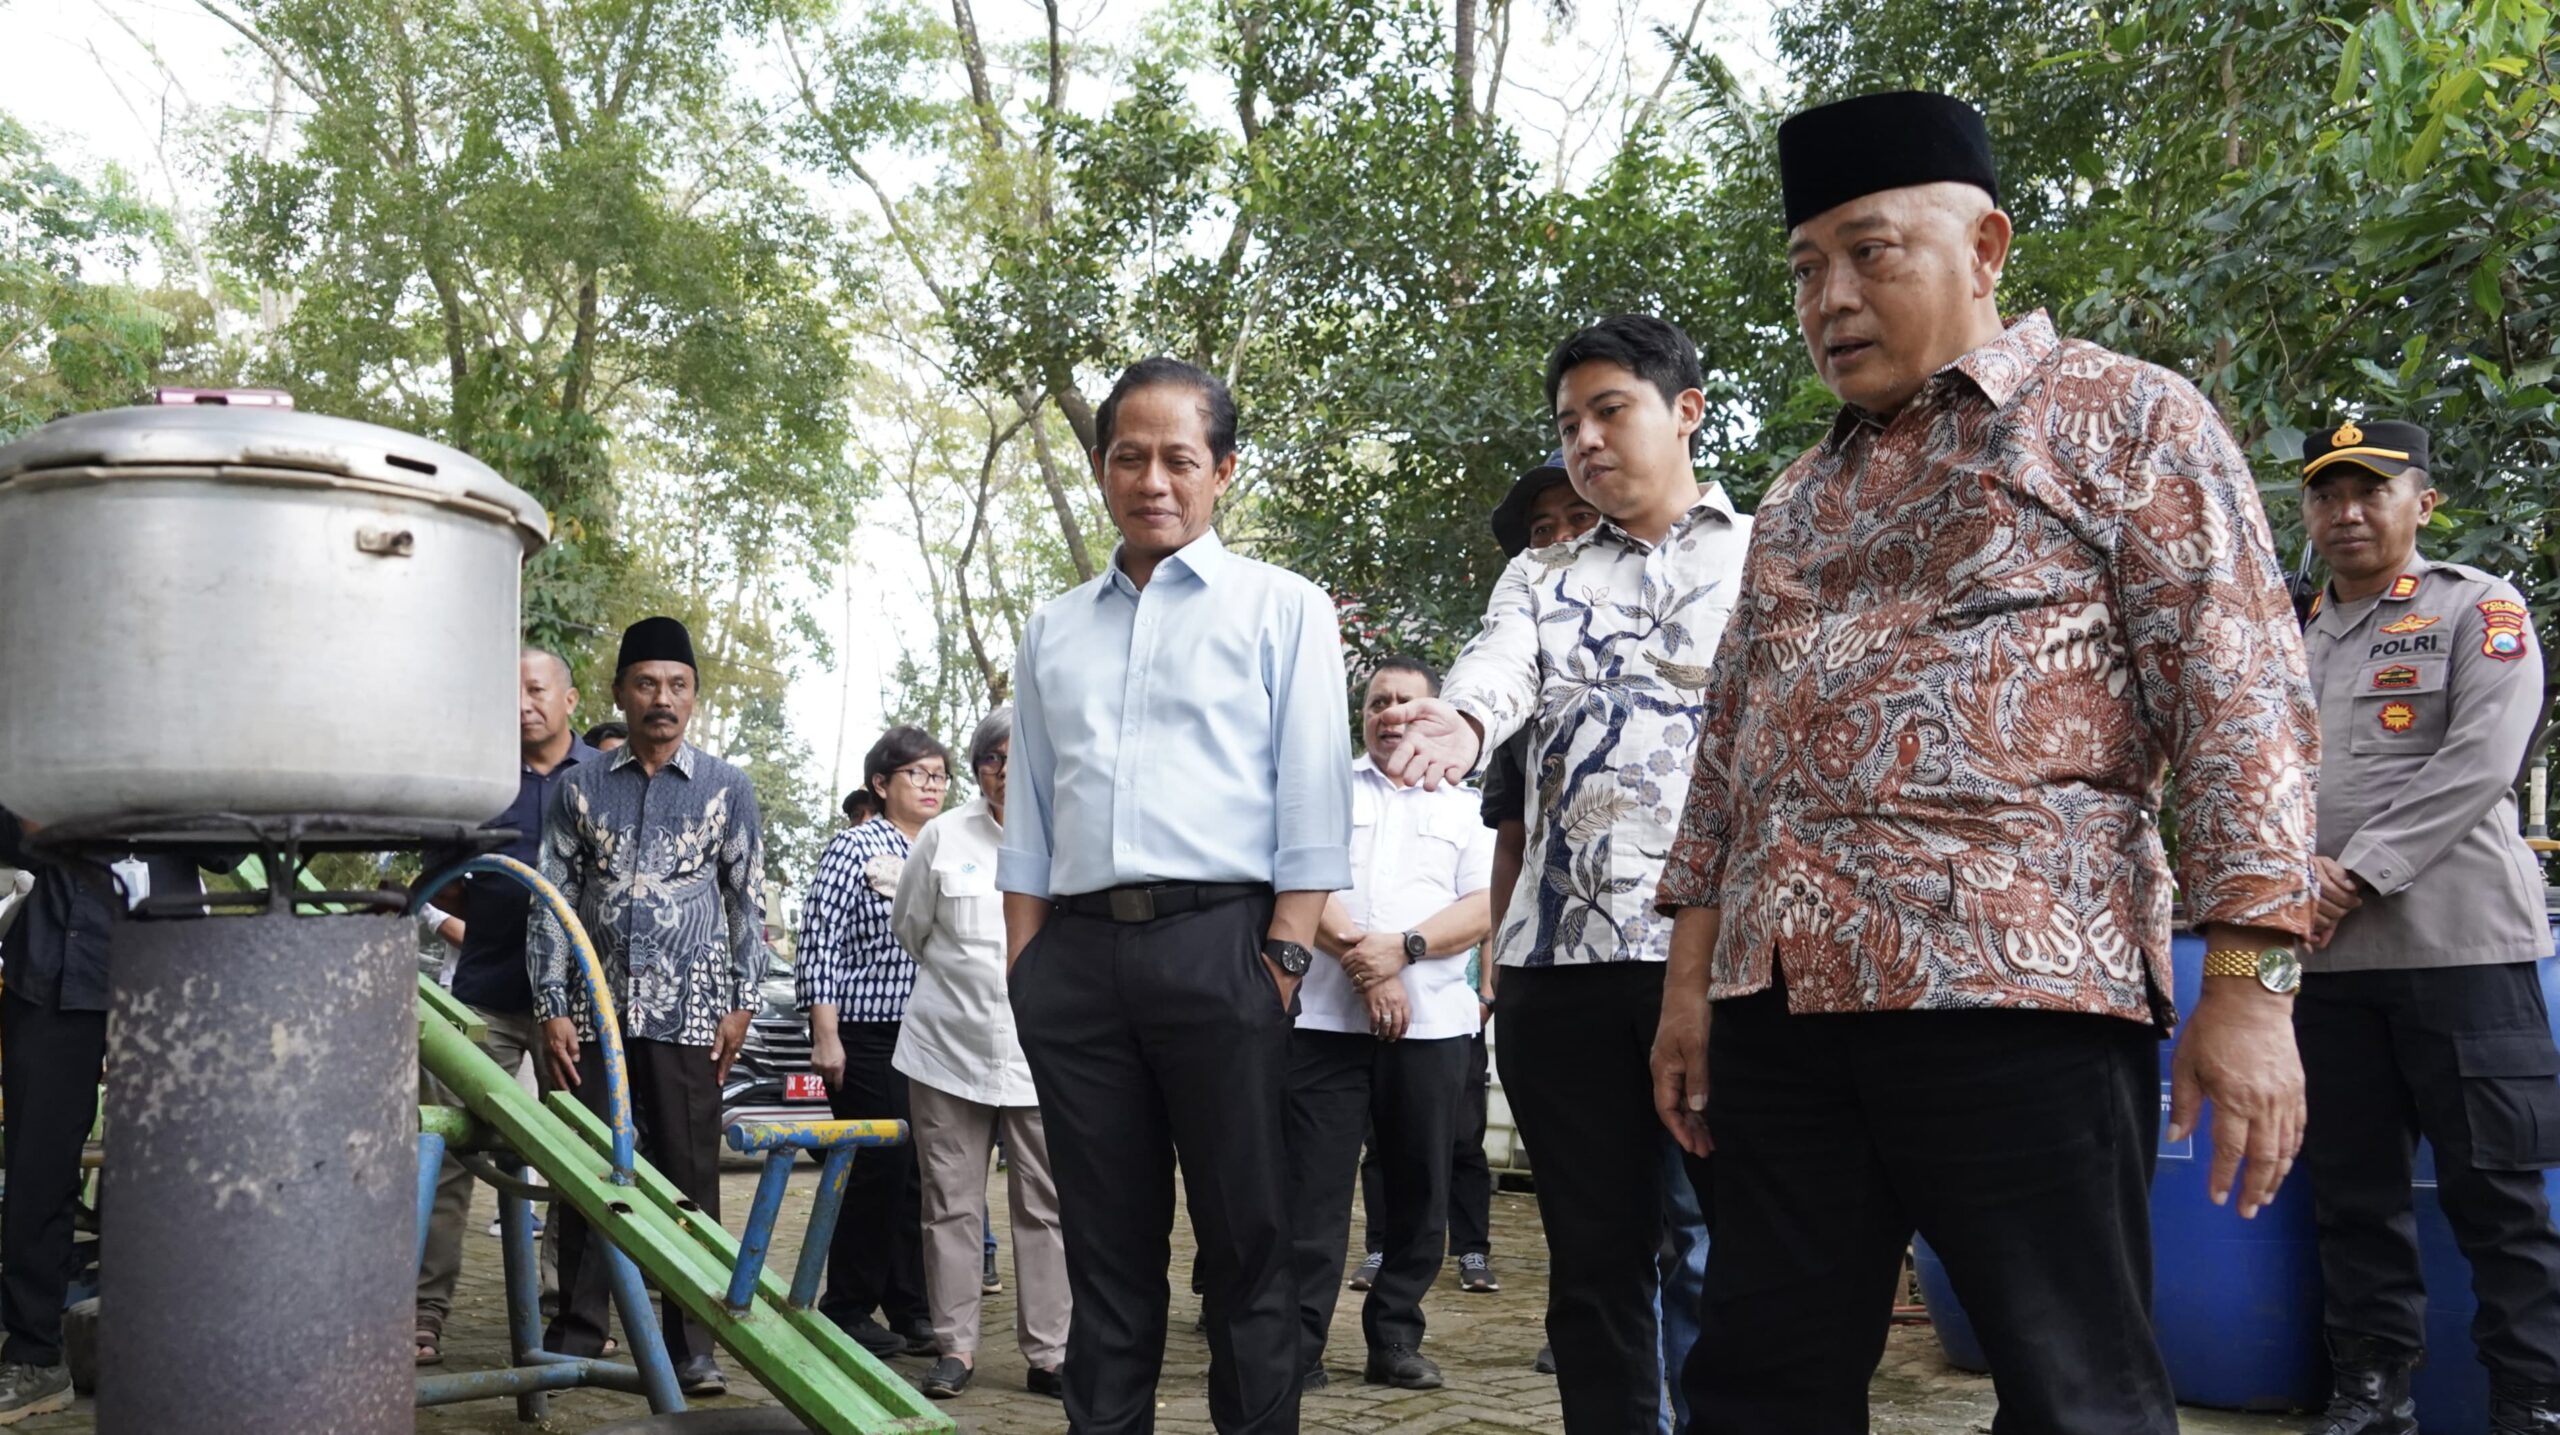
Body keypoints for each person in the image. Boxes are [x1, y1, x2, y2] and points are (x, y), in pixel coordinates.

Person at [1643, 90, 2317, 1432]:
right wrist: (1688, 984)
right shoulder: (1797, 494)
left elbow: (2241, 697)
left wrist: (2252, 980)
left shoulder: (2128, 422)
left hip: (2022, 996)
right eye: (1805, 267)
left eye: (1870, 251)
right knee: (1757, 1383)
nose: (1831, 296)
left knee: (2075, 1386)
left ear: (1987, 248)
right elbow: (1733, 750)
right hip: (1788, 1003)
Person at [1377, 317, 1751, 1430]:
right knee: (1591, 1270)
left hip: (1723, 966)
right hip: (1559, 971)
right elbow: (1496, 670)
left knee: (1744, 1258)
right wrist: (1460, 716)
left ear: (1685, 410)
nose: (1584, 440)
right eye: (1566, 423)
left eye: (1608, 411)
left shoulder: (1768, 552)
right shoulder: (1539, 575)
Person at [1000, 355, 1352, 1435]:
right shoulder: (1054, 629)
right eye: (1129, 456)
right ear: (1103, 466)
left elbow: (1313, 794)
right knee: (1105, 1255)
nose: (1152, 479)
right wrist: (1028, 971)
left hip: (1227, 952)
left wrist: (1284, 958)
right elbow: (1033, 820)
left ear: (1222, 471)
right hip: (1080, 966)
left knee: (1250, 1249)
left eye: (1178, 459)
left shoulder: (1282, 608)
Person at [2292, 417, 2560, 1435]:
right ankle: (2371, 1392)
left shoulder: (2477, 608)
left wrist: (2350, 873)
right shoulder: (2290, 628)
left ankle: (2531, 1401)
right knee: (2351, 1195)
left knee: (2496, 1197)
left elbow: (2481, 757)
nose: (2347, 511)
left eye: (2371, 490)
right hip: (2323, 965)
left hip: (2459, 953)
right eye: (2328, 493)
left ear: (2422, 502)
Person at [532, 616, 767, 1397]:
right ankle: (578, 1332)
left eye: (676, 685)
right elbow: (551, 900)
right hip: (593, 1017)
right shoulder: (578, 786)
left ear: (694, 696)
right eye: (646, 684)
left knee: (690, 1177)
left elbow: (746, 904)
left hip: (691, 1015)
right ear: (619, 693)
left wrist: (742, 1001)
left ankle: (691, 1344)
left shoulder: (728, 788)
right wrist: (550, 1004)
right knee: (586, 1171)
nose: (661, 699)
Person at [1293, 656, 1494, 1392]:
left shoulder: (1468, 805)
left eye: (1408, 700)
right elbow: (1298, 877)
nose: (1392, 712)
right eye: (1379, 701)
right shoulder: (1324, 791)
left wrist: (1402, 951)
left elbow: (1483, 906)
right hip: (1320, 1021)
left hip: (1434, 1026)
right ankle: (1297, 1343)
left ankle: (1395, 1337)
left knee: (1419, 1189)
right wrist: (1363, 962)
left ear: (1436, 712)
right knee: (1309, 1192)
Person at [0, 815, 221, 1423]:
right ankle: (34, 1358)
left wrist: (160, 801)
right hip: (50, 964)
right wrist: (32, 827)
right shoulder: (39, 731)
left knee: (171, 1173)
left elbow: (229, 850)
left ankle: (168, 1349)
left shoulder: (195, 737)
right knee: (35, 1170)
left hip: (167, 966)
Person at [414, 648, 595, 1362]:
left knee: (576, 1157)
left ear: (570, 699)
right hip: (484, 995)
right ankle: (423, 1313)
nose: (524, 702)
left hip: (577, 1007)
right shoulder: (477, 782)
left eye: (537, 688)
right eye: (510, 690)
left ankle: (568, 1313)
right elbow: (446, 883)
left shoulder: (601, 779)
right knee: (448, 1151)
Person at [890, 707, 1070, 1399]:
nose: (1005, 769)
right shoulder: (942, 835)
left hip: (1040, 1057)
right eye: (993, 757)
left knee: (1047, 1205)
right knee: (950, 1204)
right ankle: (954, 1348)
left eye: (1017, 755)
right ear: (977, 767)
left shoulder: (1069, 834)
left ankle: (1050, 1353)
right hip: (947, 1051)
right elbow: (914, 927)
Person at [796, 724, 949, 1360]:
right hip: (864, 1030)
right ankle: (846, 1305)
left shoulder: (946, 847)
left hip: (933, 1033)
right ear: (881, 785)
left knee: (917, 1171)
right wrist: (825, 1034)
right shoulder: (855, 846)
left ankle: (911, 1306)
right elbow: (820, 938)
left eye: (940, 775)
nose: (932, 785)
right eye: (918, 774)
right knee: (874, 1162)